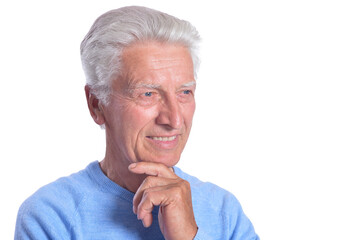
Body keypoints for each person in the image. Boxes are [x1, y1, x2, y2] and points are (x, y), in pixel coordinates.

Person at [15, 6, 259, 240]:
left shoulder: (224, 212)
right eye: (148, 94)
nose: (174, 120)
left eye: (184, 92)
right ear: (97, 104)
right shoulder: (51, 215)